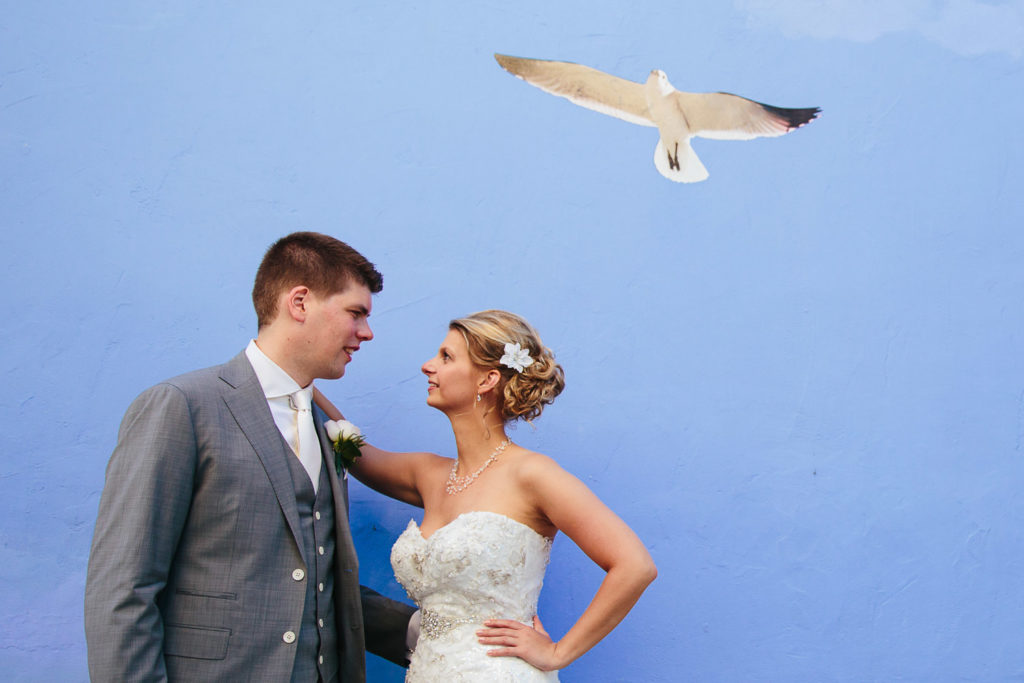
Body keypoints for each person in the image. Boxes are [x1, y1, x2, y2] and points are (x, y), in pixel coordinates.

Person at [84, 232, 416, 682]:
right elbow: (123, 590)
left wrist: (442, 633)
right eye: (355, 313)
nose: (367, 332)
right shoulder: (182, 406)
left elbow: (317, 580)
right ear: (299, 302)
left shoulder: (323, 425)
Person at [314, 309, 656, 680]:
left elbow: (635, 566)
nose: (428, 366)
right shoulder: (427, 474)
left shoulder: (533, 475)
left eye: (446, 357)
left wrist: (559, 652)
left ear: (488, 379)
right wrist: (295, 379)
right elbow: (352, 448)